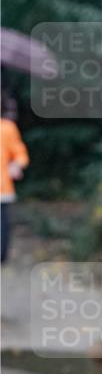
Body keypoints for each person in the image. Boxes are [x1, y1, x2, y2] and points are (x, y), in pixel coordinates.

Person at [1, 100, 29, 264]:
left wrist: (15, 165)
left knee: (2, 224)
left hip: (2, 186)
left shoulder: (7, 128)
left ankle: (1, 256)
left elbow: (21, 154)